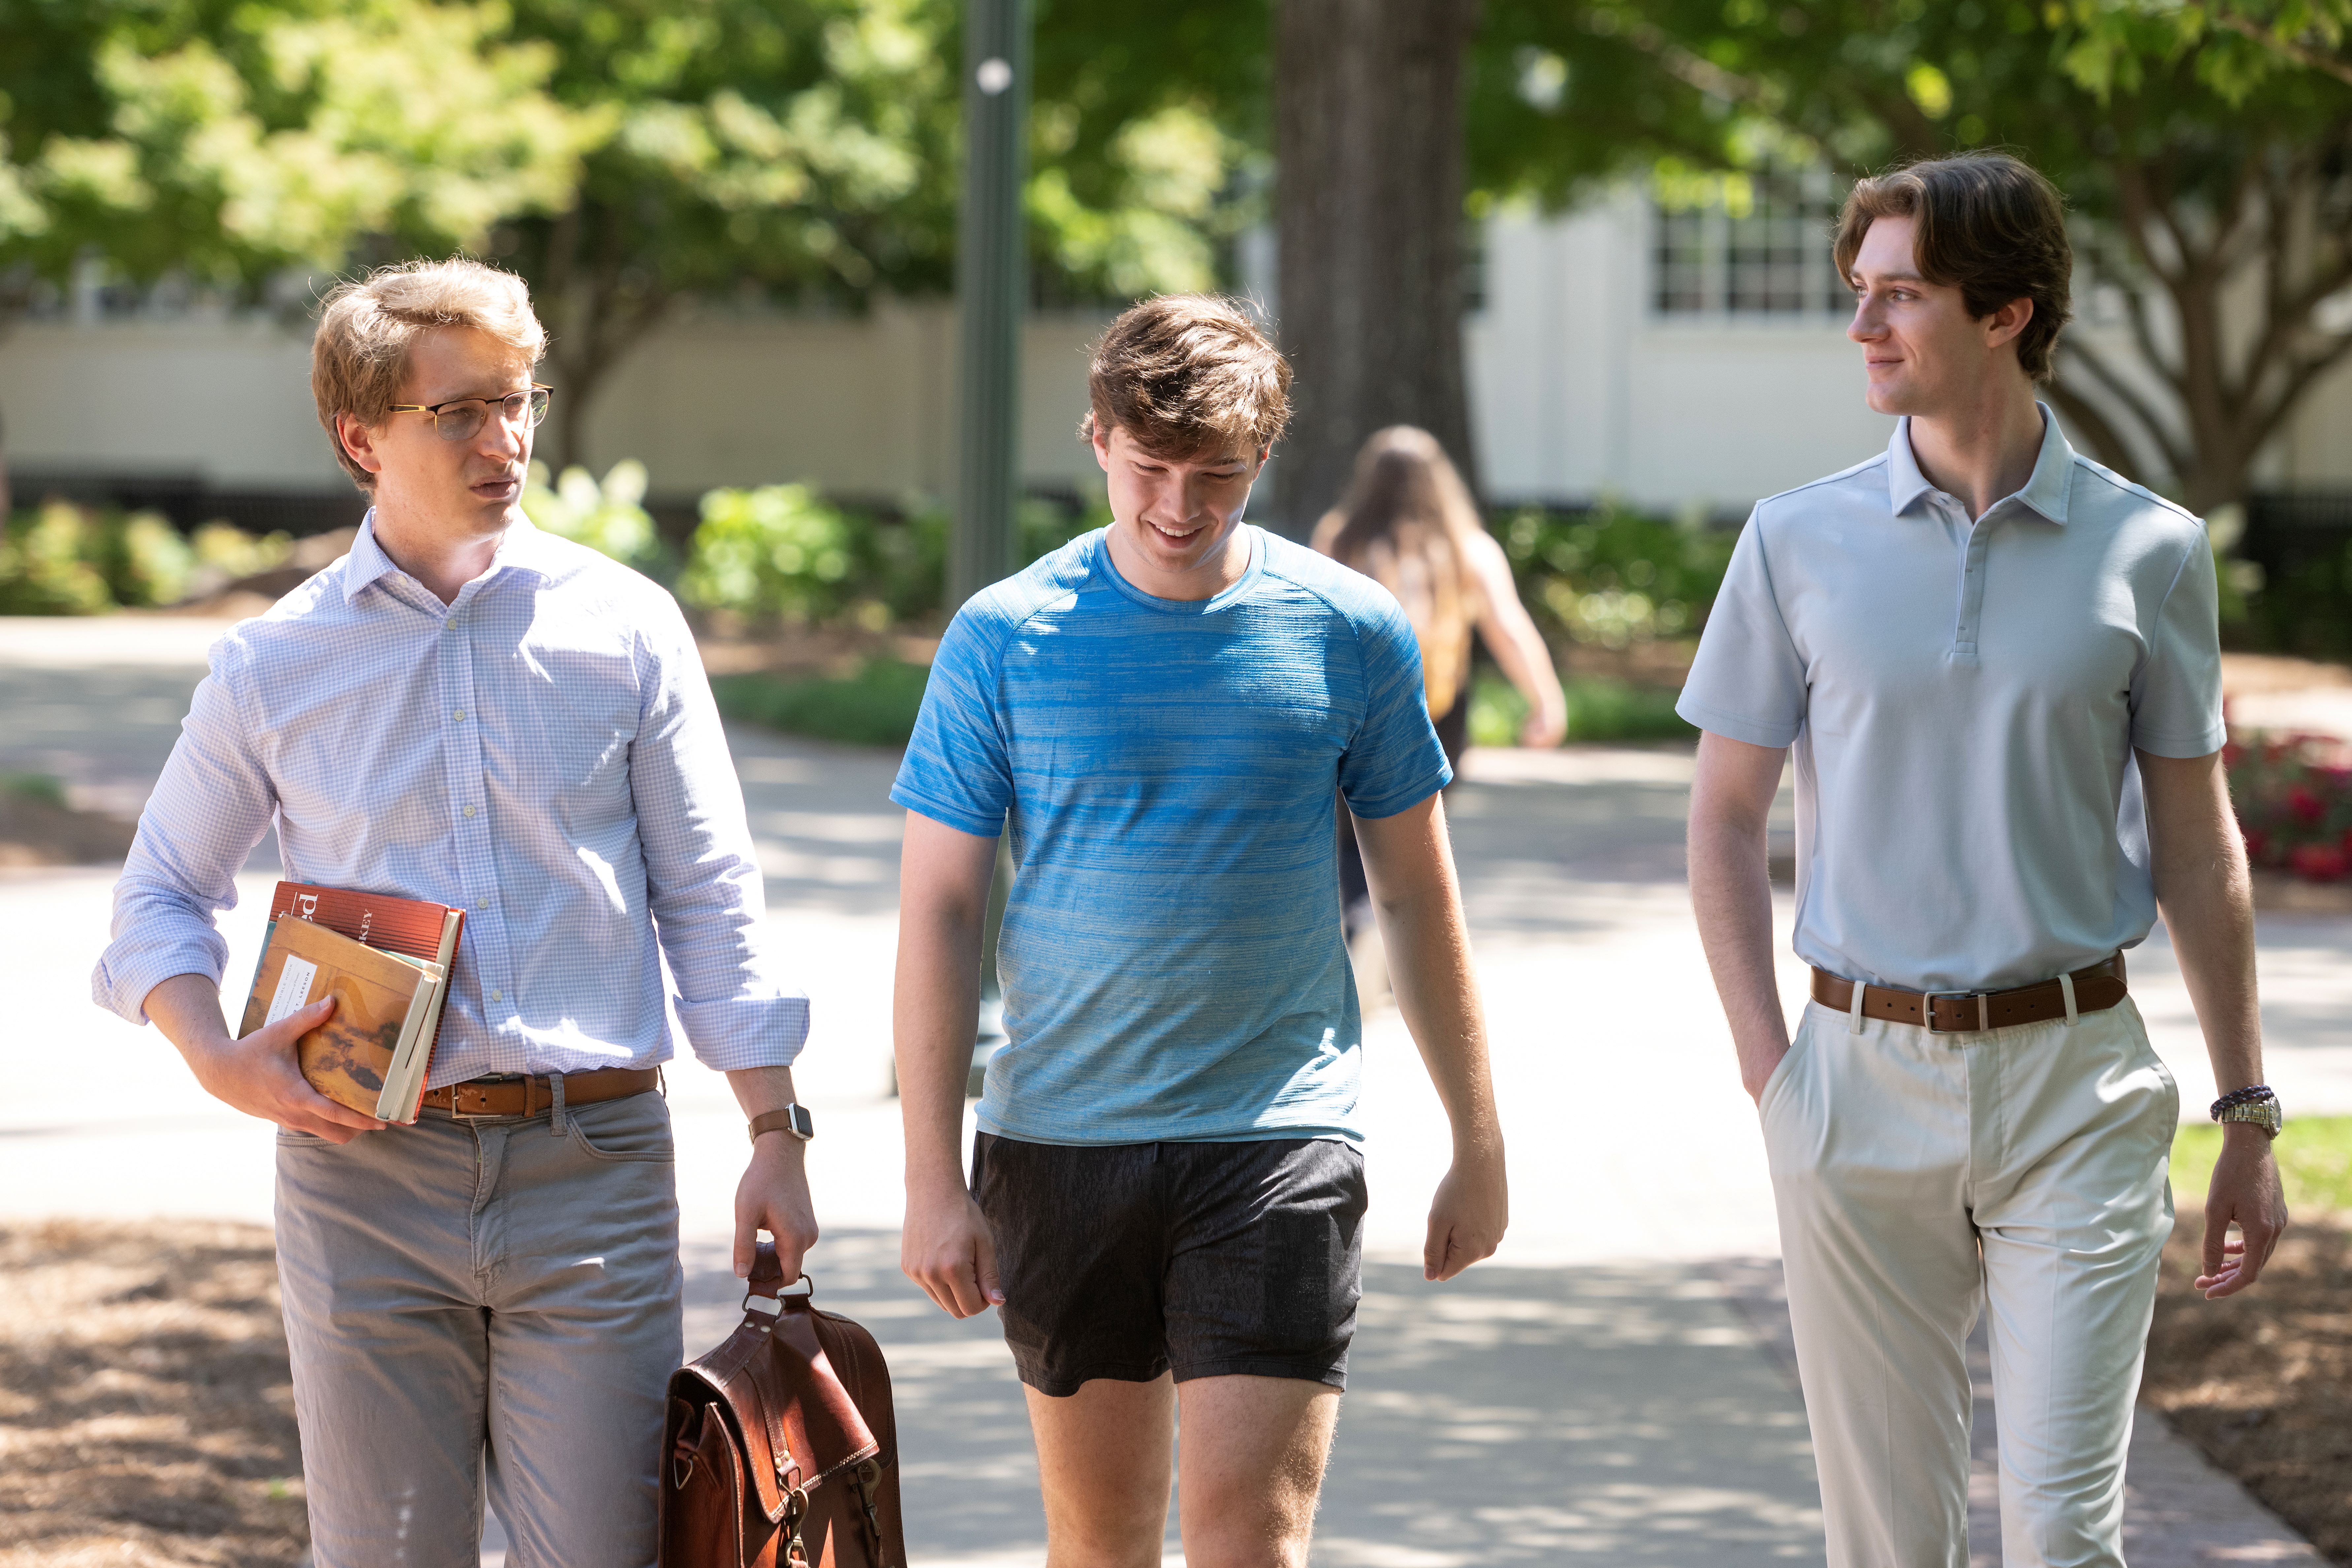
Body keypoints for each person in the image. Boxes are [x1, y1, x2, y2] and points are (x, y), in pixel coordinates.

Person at [92, 258, 819, 1568]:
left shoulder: (628, 629)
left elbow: (712, 893)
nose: (509, 440)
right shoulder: (276, 662)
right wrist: (212, 1057)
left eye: (518, 400)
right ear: (359, 436)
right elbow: (158, 892)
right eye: (461, 413)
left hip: (590, 1175)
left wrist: (774, 1126)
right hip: (361, 1176)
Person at [1680, 152, 2287, 1568]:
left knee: (2065, 1541)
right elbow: (1720, 819)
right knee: (1889, 1547)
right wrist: (1777, 1076)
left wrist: (2248, 1107)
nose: (1864, 328)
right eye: (1860, 293)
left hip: (2078, 1082)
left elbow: (2200, 847)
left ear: (2007, 311)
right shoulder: (1796, 540)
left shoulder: (2152, 549)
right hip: (1855, 1082)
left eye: (1901, 295)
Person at [892, 294, 1508, 1568]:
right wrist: (927, 1179)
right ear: (1098, 439)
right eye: (1150, 468)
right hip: (1062, 1138)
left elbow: (1413, 892)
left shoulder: (1346, 630)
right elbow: (944, 909)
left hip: (1275, 1134)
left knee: (1247, 1541)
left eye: (1215, 476)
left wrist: (1477, 1140)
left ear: (1262, 459)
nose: (1178, 506)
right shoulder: (1003, 637)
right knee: (1100, 1541)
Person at [1312, 425, 1566, 939]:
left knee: (1351, 835)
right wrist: (1547, 701)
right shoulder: (1469, 548)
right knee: (1416, 832)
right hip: (1437, 712)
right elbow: (1508, 628)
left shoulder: (1340, 537)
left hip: (1354, 709)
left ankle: (1362, 917)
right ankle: (1397, 929)